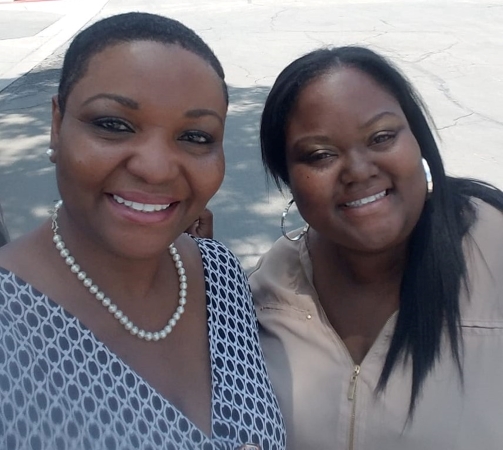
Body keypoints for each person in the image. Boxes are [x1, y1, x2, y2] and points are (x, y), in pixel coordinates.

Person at [0, 13, 285, 450]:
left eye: (195, 136)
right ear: (57, 125)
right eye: (113, 125)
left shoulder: (219, 275)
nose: (155, 168)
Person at [250, 46, 503, 449]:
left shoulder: (494, 254)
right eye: (320, 155)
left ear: (418, 141)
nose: (358, 170)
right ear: (289, 179)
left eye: (381, 137)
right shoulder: (266, 293)